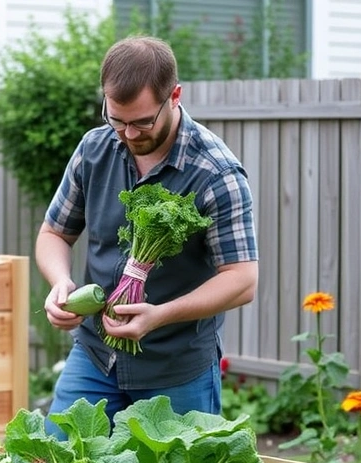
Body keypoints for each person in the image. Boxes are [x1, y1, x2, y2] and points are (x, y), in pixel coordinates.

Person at [36, 35, 259, 438]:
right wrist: (60, 283)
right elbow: (53, 233)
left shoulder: (216, 172)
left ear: (174, 96)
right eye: (116, 119)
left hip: (176, 368)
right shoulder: (94, 149)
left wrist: (159, 315)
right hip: (95, 356)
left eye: (142, 122)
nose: (128, 134)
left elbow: (242, 280)